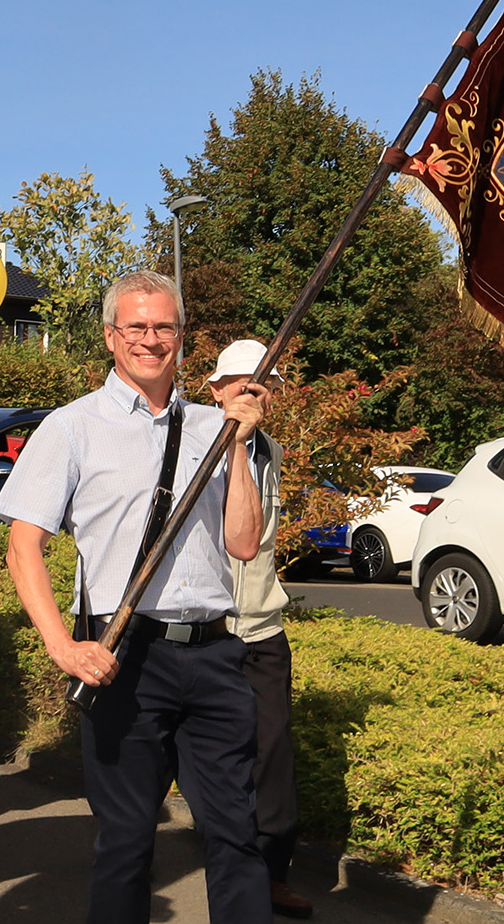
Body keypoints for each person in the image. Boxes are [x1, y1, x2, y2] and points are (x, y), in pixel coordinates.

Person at [0, 271, 269, 924]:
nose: (150, 339)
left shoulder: (214, 425)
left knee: (237, 834)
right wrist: (62, 646)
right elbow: (22, 546)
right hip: (124, 653)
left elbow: (242, 542)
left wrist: (237, 447)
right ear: (110, 335)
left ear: (181, 336)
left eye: (164, 327)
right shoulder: (72, 427)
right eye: (136, 326)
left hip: (214, 652)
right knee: (125, 842)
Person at [207, 340, 311, 921]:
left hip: (263, 628)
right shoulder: (194, 444)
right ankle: (136, 849)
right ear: (215, 390)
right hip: (206, 628)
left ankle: (272, 874)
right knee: (182, 752)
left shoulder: (271, 450)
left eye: (261, 385)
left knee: (272, 754)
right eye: (239, 383)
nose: (251, 393)